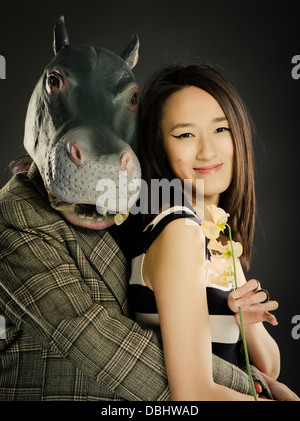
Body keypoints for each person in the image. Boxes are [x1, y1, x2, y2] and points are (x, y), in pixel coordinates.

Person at [129, 63, 290, 400]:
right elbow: (193, 395)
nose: (208, 151)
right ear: (160, 148)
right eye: (185, 134)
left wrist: (247, 320)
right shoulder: (180, 231)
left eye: (221, 129)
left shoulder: (216, 234)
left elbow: (269, 366)